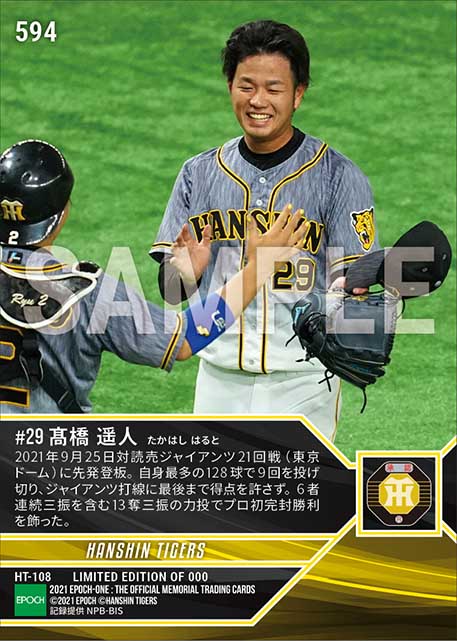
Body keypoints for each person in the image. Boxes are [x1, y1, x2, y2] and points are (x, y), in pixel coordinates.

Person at [149, 20, 380, 440]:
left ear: (298, 94)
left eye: (273, 89)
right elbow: (170, 291)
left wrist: (357, 291)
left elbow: (354, 286)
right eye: (246, 86)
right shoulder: (198, 174)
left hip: (303, 383)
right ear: (230, 87)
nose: (258, 101)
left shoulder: (338, 177)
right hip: (217, 378)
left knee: (290, 486)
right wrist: (185, 273)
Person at [0, 139, 306, 414]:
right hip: (46, 455)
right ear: (62, 213)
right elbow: (185, 339)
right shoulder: (89, 293)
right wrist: (257, 269)